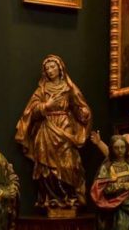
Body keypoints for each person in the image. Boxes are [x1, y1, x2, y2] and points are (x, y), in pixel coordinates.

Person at [14, 55, 92, 213]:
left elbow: (78, 106)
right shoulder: (41, 90)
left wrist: (84, 113)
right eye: (47, 68)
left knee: (69, 163)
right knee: (47, 167)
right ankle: (52, 200)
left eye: (52, 67)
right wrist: (46, 105)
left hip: (65, 127)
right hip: (47, 128)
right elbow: (30, 112)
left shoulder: (69, 88)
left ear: (60, 68)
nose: (50, 70)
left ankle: (71, 198)